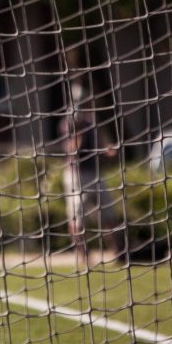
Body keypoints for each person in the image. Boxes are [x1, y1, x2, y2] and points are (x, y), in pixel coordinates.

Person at [61, 96, 124, 264]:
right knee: (77, 218)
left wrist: (108, 151)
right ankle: (83, 256)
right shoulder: (68, 125)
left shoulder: (92, 124)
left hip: (95, 174)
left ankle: (119, 253)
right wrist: (78, 130)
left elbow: (99, 147)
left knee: (109, 215)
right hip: (76, 176)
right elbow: (73, 150)